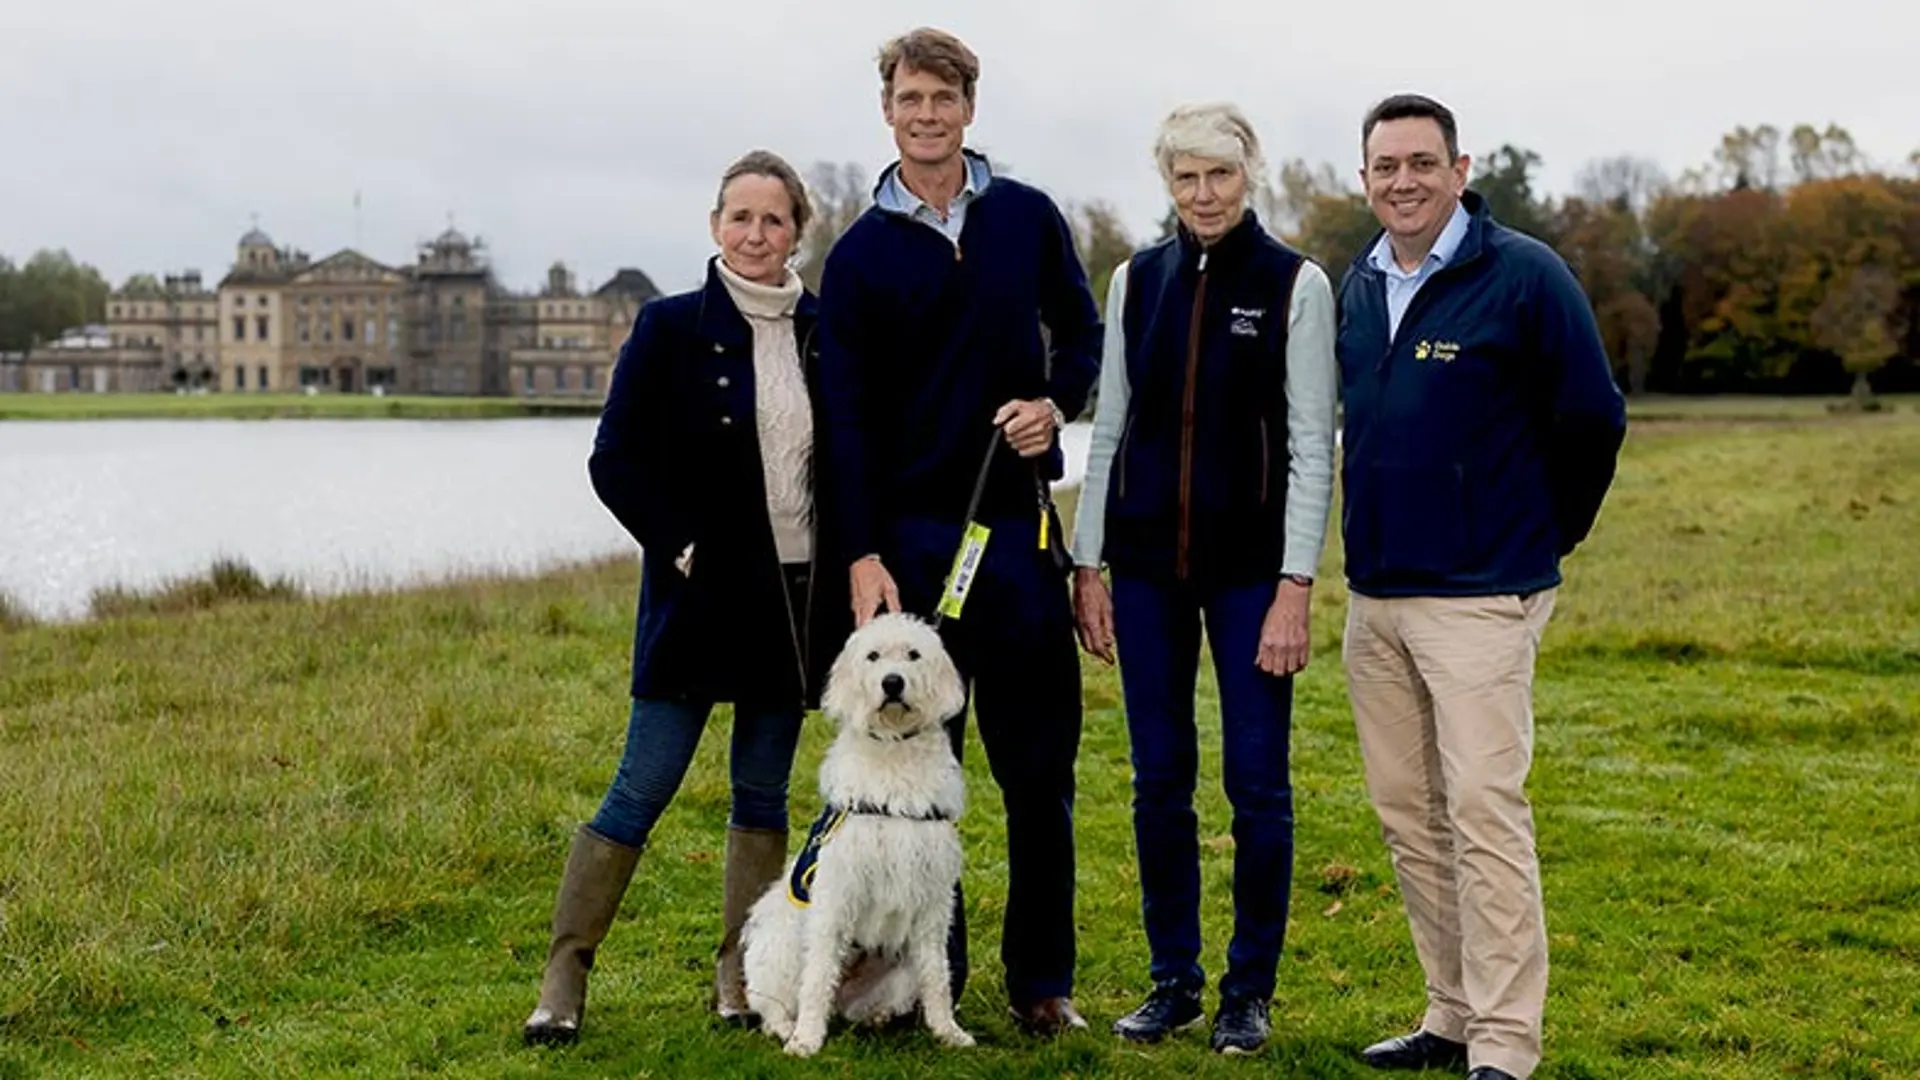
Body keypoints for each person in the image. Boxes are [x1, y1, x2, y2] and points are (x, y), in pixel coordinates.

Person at [812, 26, 1103, 1036]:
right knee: (921, 780)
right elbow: (840, 419)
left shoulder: (1024, 218)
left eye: (944, 97)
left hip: (1013, 539)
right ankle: (934, 983)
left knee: (1038, 772)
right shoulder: (855, 258)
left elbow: (1083, 327)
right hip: (909, 547)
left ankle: (1042, 986)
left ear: (969, 108)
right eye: (909, 98)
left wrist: (1055, 402)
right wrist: (860, 553)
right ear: (885, 110)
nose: (926, 114)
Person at [522, 149, 847, 1046]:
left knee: (761, 793)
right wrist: (688, 546)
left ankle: (740, 977)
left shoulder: (824, 330)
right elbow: (613, 460)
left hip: (794, 599)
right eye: (739, 217)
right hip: (700, 597)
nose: (755, 234)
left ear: (796, 232)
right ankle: (564, 976)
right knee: (644, 782)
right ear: (714, 227)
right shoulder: (668, 327)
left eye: (773, 220)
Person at [1335, 94, 1627, 1080]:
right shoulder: (1359, 285)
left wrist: (1546, 537)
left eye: (1423, 162)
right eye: (1386, 166)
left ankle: (1505, 1042)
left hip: (1478, 597)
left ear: (1461, 170)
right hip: (1374, 597)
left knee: (1484, 812)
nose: (1403, 182)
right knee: (1407, 815)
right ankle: (1451, 1012)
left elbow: (1593, 418)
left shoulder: (1523, 276)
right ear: (1364, 178)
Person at [1069, 102, 1338, 1056]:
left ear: (1248, 174)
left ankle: (1247, 992)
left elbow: (1312, 445)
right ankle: (1174, 980)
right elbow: (1109, 429)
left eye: (1219, 175)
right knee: (1159, 781)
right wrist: (1087, 561)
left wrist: (1295, 584)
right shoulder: (1136, 280)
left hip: (1249, 579)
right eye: (1186, 178)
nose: (1203, 194)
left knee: (1257, 785)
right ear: (1168, 184)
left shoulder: (1296, 283)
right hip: (1143, 572)